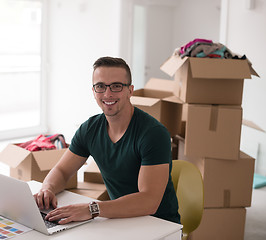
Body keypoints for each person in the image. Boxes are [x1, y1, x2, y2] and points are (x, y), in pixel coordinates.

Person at [35, 56, 180, 224]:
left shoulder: (153, 134)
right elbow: (62, 170)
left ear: (130, 91)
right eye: (100, 86)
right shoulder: (89, 129)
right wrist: (47, 188)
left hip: (160, 226)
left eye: (117, 86)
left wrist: (92, 209)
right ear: (94, 91)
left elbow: (149, 201)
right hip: (119, 220)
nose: (107, 93)